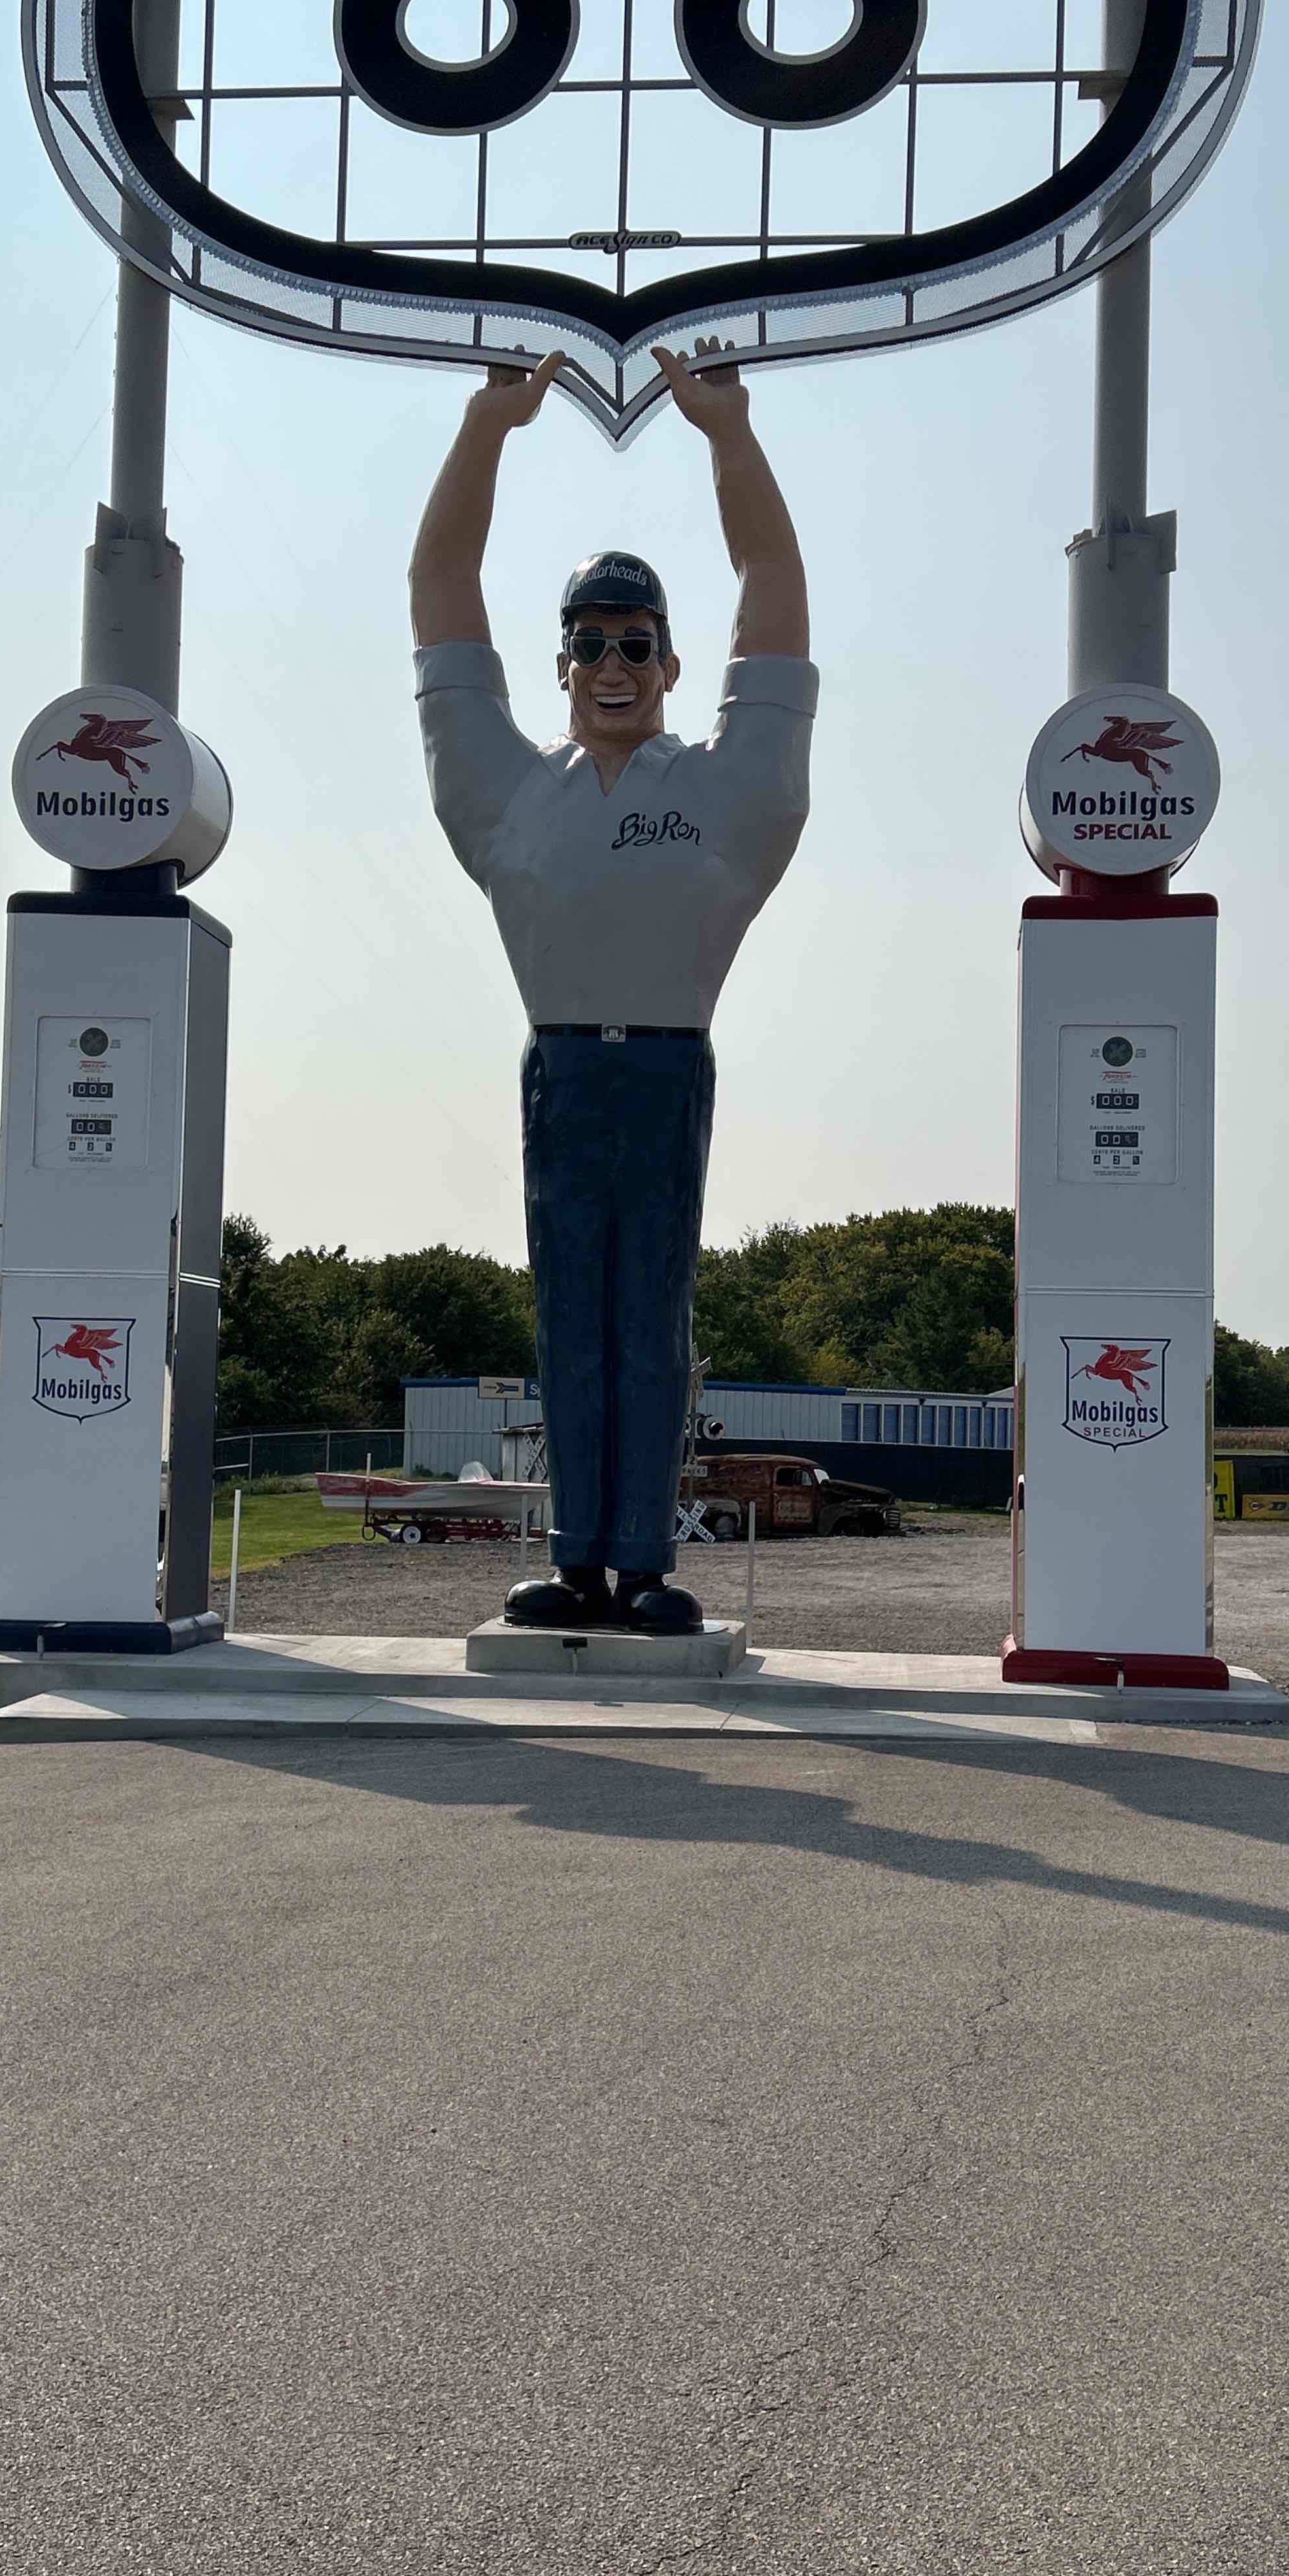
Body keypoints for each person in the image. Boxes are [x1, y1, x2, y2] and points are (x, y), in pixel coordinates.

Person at [409, 339, 815, 1633]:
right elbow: (439, 588)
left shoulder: (729, 794)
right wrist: (485, 432)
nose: (612, 665)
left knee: (652, 1317)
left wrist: (729, 436)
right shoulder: (508, 793)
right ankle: (579, 1558)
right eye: (586, 644)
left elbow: (774, 590)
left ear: (673, 664)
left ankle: (645, 1563)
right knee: (568, 1320)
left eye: (637, 642)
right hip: (564, 1068)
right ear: (561, 665)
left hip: (668, 1063)